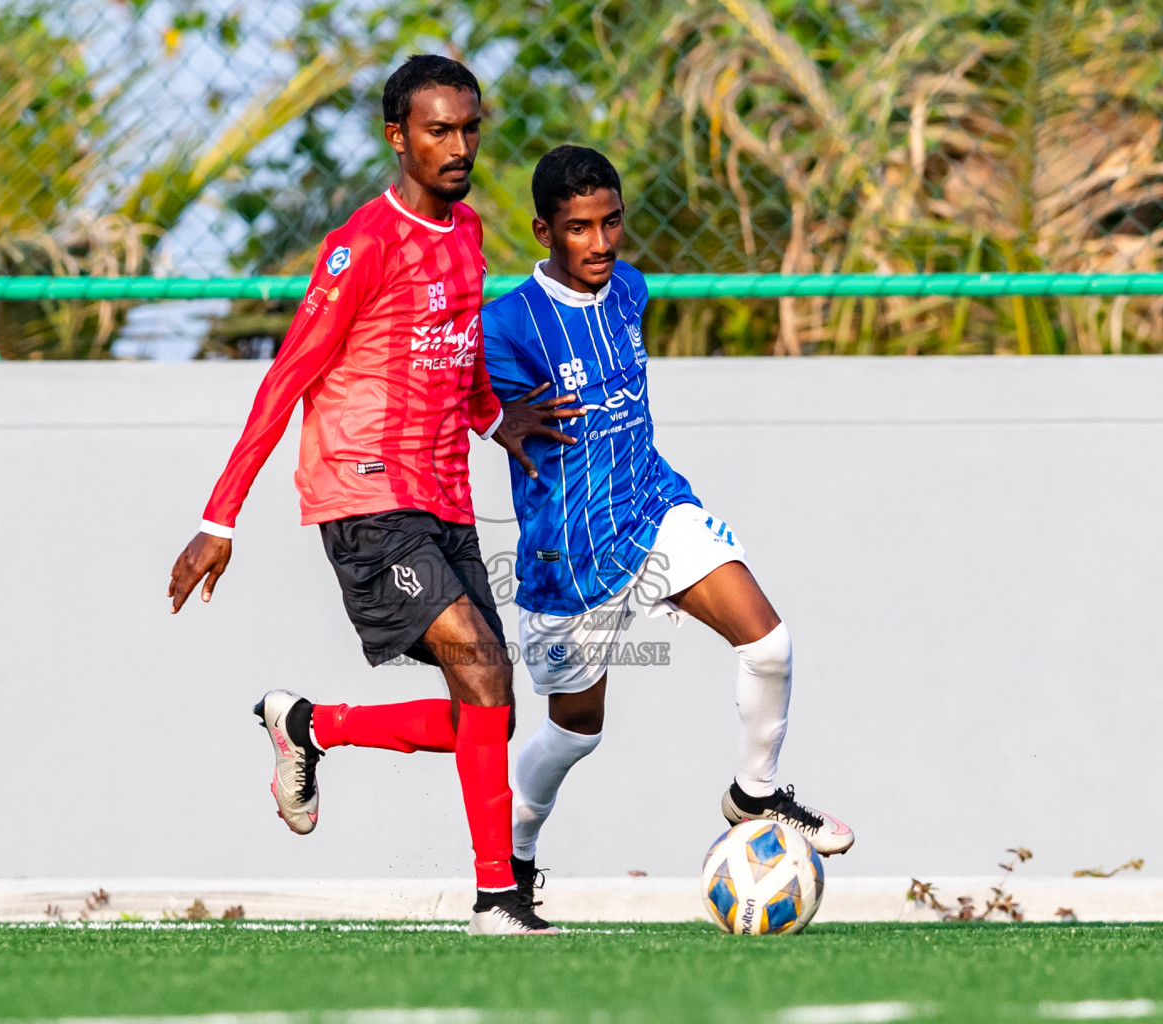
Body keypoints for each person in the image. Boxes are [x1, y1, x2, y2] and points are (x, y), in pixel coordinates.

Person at [166, 57, 582, 936]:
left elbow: (459, 350)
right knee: (480, 665)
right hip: (361, 491)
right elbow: (288, 376)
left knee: (491, 708)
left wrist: (495, 420)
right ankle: (497, 899)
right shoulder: (364, 244)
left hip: (444, 496)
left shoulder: (466, 231)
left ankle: (312, 727)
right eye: (440, 130)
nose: (460, 146)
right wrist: (219, 516)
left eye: (471, 128)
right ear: (399, 137)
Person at [480, 145, 855, 898]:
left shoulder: (632, 290)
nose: (601, 243)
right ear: (543, 232)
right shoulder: (509, 323)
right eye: (579, 228)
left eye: (611, 222)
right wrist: (495, 417)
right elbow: (440, 384)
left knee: (769, 642)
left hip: (654, 505)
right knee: (576, 732)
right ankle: (511, 854)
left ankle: (754, 793)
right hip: (571, 550)